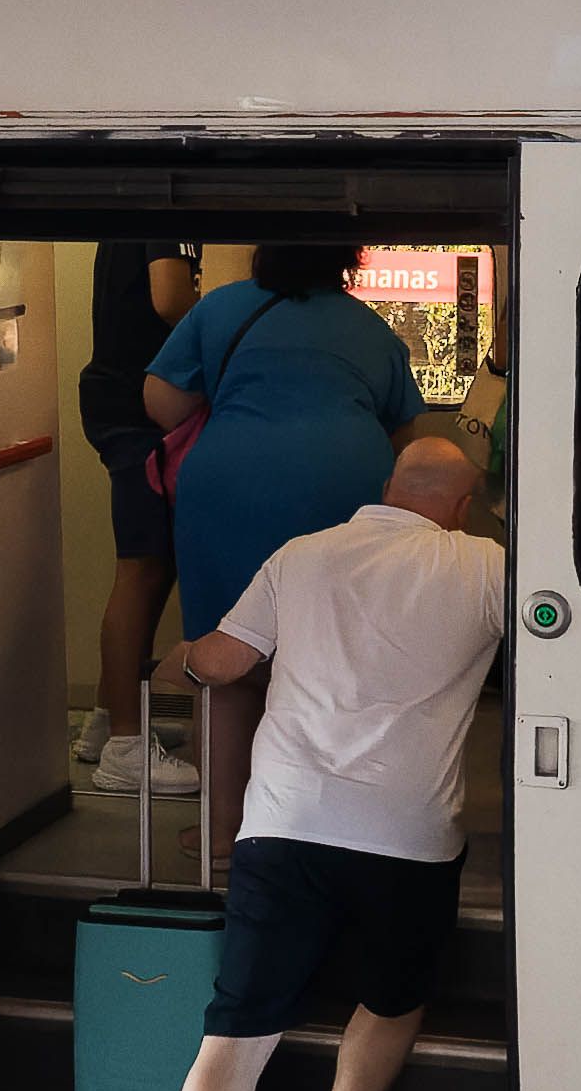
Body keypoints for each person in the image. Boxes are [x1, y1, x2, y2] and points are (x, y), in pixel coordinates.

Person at [108, 435, 504, 1091]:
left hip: (284, 826)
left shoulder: (304, 554)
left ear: (387, 489)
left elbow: (219, 661)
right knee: (395, 997)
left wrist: (180, 654)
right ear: (463, 504)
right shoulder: (485, 566)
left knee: (236, 1034)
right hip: (409, 838)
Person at [143, 244, 424, 856]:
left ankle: (222, 832)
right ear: (345, 261)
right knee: (338, 658)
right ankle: (328, 830)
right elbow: (407, 429)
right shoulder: (367, 325)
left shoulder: (219, 309)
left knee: (224, 659)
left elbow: (162, 403)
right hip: (345, 495)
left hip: (228, 491)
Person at [79, 237, 199, 793]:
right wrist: (233, 317)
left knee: (156, 563)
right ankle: (126, 748)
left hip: (120, 395)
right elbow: (170, 297)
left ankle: (108, 720)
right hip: (140, 407)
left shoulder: (136, 201)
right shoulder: (170, 199)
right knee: (143, 568)